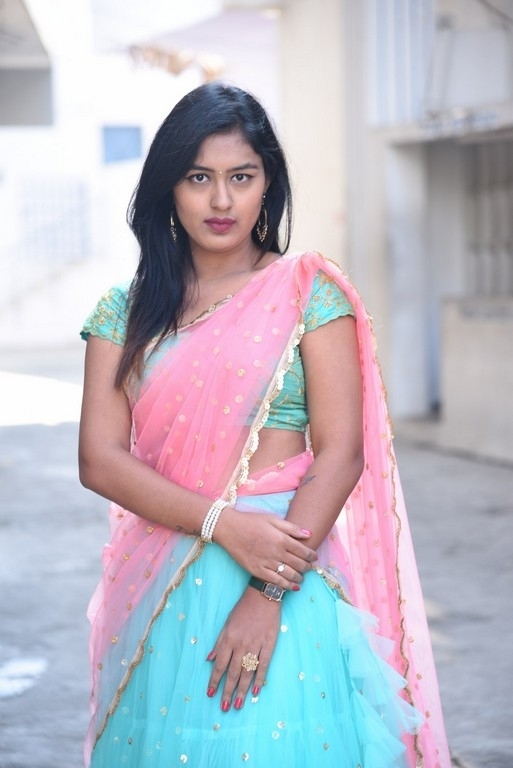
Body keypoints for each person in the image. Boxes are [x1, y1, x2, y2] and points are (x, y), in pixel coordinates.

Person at [79, 82, 450, 768]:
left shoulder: (309, 292)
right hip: (162, 573)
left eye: (241, 178)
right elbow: (99, 459)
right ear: (168, 188)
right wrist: (222, 524)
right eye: (199, 178)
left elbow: (340, 453)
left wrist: (266, 593)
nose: (221, 201)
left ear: (267, 185)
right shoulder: (124, 312)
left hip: (283, 567)